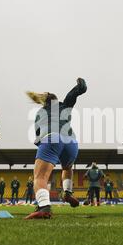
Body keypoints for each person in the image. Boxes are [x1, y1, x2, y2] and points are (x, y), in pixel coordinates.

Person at [24, 77, 87, 219]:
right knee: (67, 168)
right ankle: (67, 192)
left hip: (52, 138)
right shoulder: (64, 106)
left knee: (40, 177)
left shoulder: (40, 112)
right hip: (72, 143)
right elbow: (73, 96)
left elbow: (39, 134)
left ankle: (44, 207)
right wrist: (80, 87)